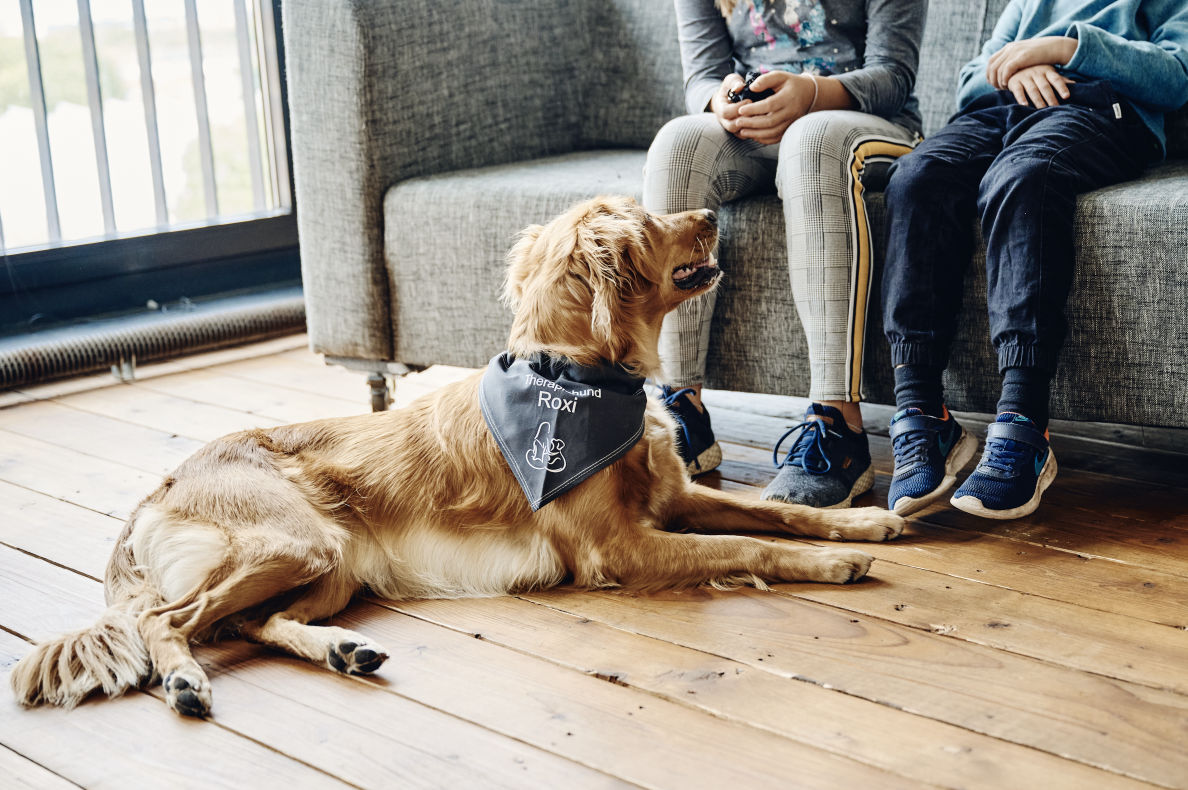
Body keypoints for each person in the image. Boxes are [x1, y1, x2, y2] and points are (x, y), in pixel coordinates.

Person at [881, 0, 1188, 519]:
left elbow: (1175, 76)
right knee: (916, 178)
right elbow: (972, 77)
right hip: (998, 109)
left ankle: (1025, 422)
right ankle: (922, 412)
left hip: (1095, 109)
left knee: (1025, 177)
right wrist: (1023, 66)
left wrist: (1067, 48)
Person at [645, 0, 927, 509]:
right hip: (757, 131)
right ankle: (680, 414)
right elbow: (701, 80)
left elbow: (894, 76)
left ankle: (837, 426)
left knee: (811, 140)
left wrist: (814, 94)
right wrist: (721, 99)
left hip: (867, 126)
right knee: (676, 144)